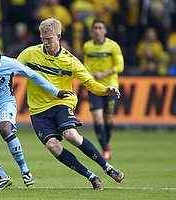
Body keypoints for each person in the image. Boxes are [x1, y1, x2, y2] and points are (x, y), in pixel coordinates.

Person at [16, 18, 125, 190]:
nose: (45, 42)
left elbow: (90, 84)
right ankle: (91, 176)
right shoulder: (30, 53)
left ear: (58, 36)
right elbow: (12, 68)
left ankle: (108, 168)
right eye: (43, 38)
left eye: (49, 39)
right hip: (37, 110)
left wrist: (106, 90)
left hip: (62, 102)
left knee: (71, 135)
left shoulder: (71, 61)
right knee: (53, 146)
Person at [0, 42, 73, 190]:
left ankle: (25, 171)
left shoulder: (10, 64)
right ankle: (3, 176)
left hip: (5, 104)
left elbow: (33, 75)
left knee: (5, 129)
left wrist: (56, 91)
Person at [83, 18, 124, 160]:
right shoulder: (87, 46)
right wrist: (89, 74)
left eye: (100, 28)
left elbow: (120, 66)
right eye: (95, 28)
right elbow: (86, 64)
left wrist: (103, 74)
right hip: (94, 86)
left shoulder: (113, 46)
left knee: (108, 119)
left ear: (105, 31)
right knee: (97, 118)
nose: (97, 31)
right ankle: (105, 149)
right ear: (91, 31)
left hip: (111, 87)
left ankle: (107, 142)